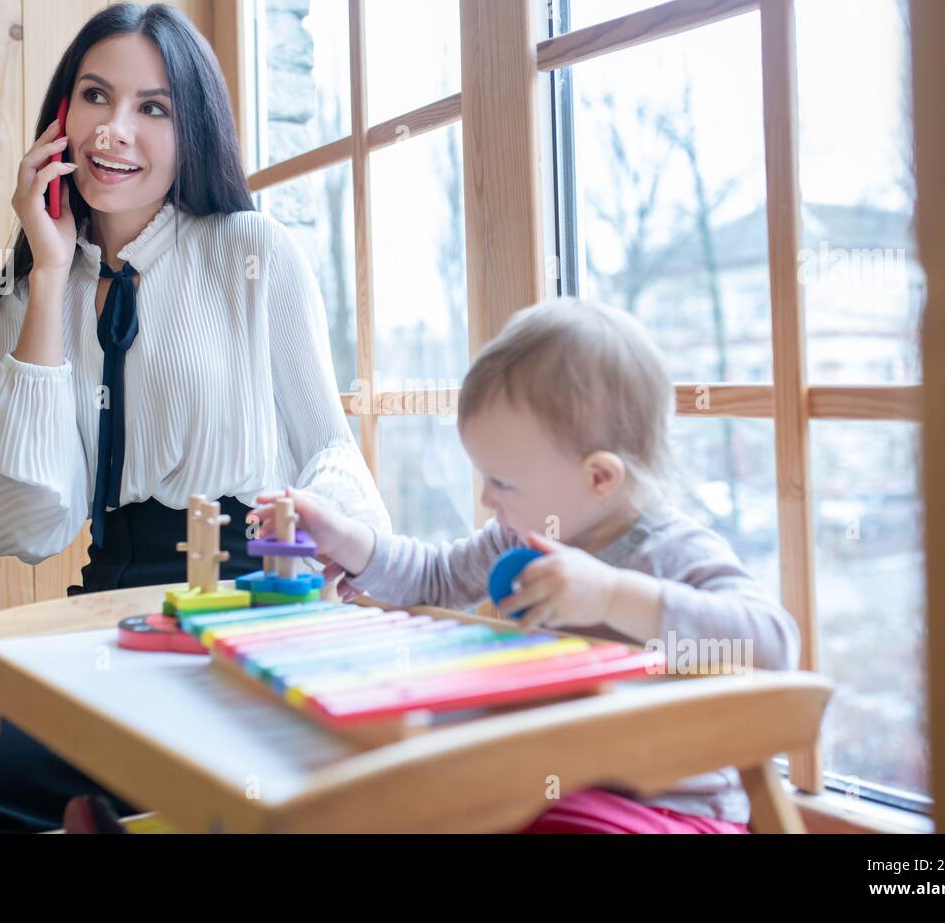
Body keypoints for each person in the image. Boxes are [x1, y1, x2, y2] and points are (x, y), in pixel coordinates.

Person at [0, 2, 388, 834]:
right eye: (96, 97)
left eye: (152, 108)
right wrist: (50, 278)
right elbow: (25, 521)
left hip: (235, 604)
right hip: (105, 606)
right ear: (61, 115)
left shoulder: (252, 251)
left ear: (190, 128)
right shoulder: (29, 288)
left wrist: (324, 544)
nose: (114, 129)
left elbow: (332, 453)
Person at [248, 297, 801, 833]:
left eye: (504, 482)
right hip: (550, 780)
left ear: (600, 478)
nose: (489, 499)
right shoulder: (519, 536)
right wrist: (344, 537)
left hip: (670, 808)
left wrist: (612, 595)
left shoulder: (671, 550)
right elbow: (434, 581)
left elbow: (775, 645)